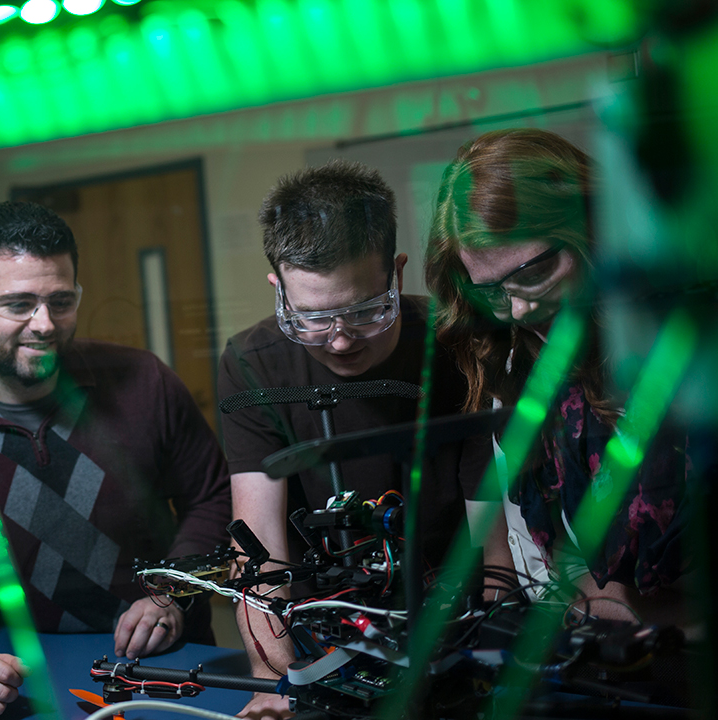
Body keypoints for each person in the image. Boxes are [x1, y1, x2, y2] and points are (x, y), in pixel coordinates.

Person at [0, 201, 232, 720]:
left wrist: (173, 591)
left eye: (61, 301)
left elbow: (211, 496)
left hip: (171, 668)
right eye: (18, 304)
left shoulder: (146, 383)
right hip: (30, 678)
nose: (44, 324)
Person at [218, 161, 485, 719]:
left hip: (456, 625)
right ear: (279, 289)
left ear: (397, 272)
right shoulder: (252, 365)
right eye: (312, 318)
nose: (340, 341)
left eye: (366, 310)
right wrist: (272, 686)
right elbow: (257, 548)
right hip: (332, 632)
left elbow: (493, 534)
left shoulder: (457, 343)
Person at [423, 128, 690, 619]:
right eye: (492, 292)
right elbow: (544, 563)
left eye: (531, 273)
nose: (519, 307)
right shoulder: (516, 373)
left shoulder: (687, 344)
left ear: (589, 226)